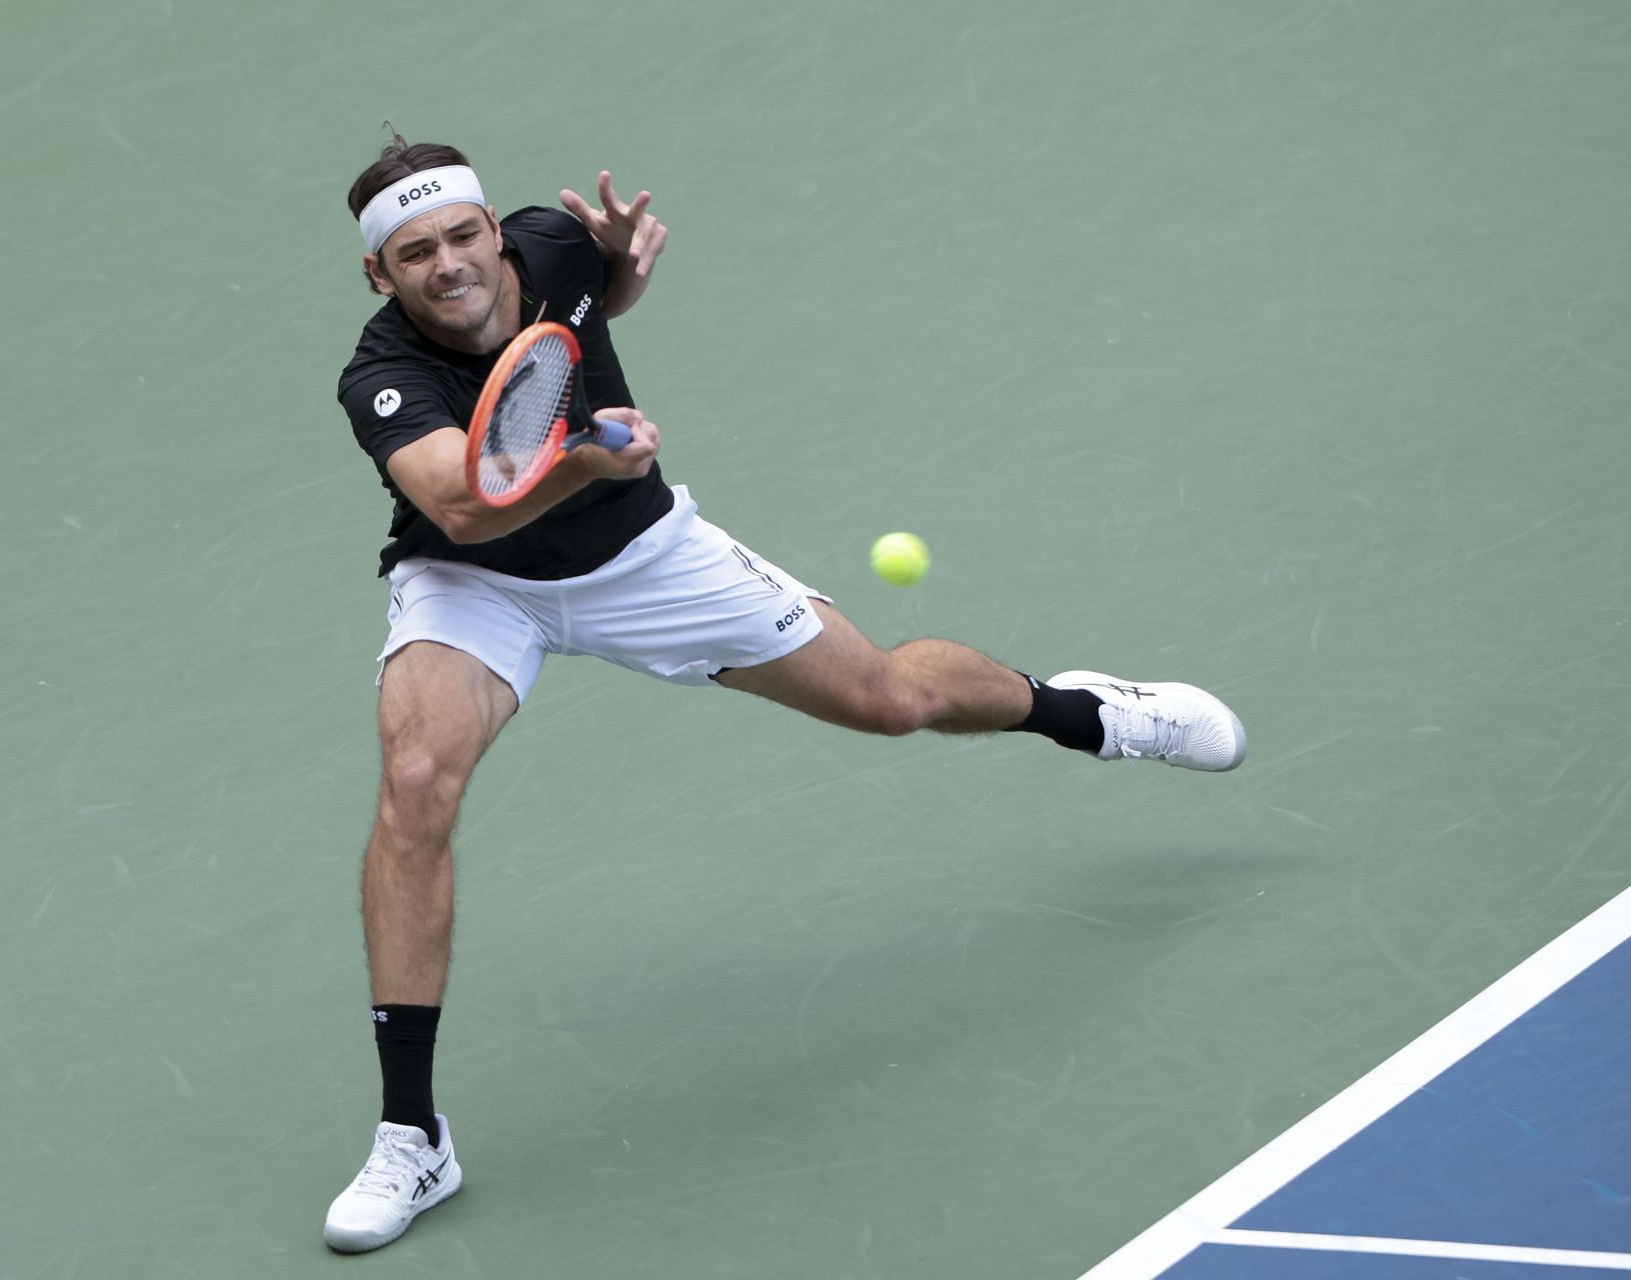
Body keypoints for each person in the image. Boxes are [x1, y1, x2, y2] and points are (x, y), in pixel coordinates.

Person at [324, 135, 1247, 1253]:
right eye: (416, 253)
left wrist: (624, 274)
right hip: (479, 583)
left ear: (492, 230)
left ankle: (1092, 712)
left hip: (644, 558)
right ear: (382, 275)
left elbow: (595, 292)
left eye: (463, 235)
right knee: (416, 783)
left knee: (892, 700)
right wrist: (581, 461)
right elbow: (463, 508)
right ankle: (413, 1133)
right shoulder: (383, 375)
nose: (451, 264)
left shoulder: (553, 240)